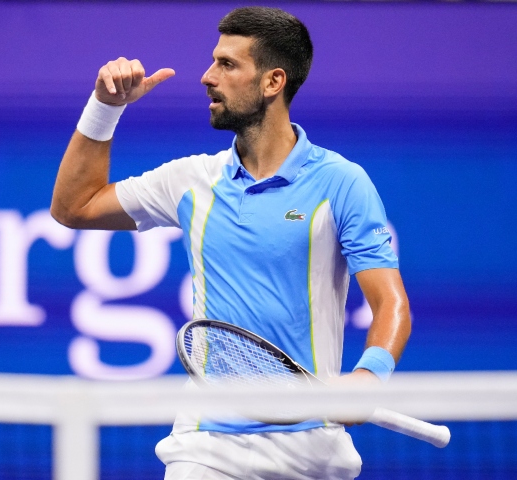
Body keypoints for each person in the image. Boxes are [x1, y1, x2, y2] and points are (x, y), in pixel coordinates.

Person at [51, 6, 411, 480]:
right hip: (206, 447)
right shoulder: (190, 180)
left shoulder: (342, 183)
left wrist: (369, 377)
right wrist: (105, 107)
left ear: (272, 82)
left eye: (227, 64)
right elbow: (73, 207)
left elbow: (391, 304)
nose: (206, 77)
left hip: (315, 450)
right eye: (212, 61)